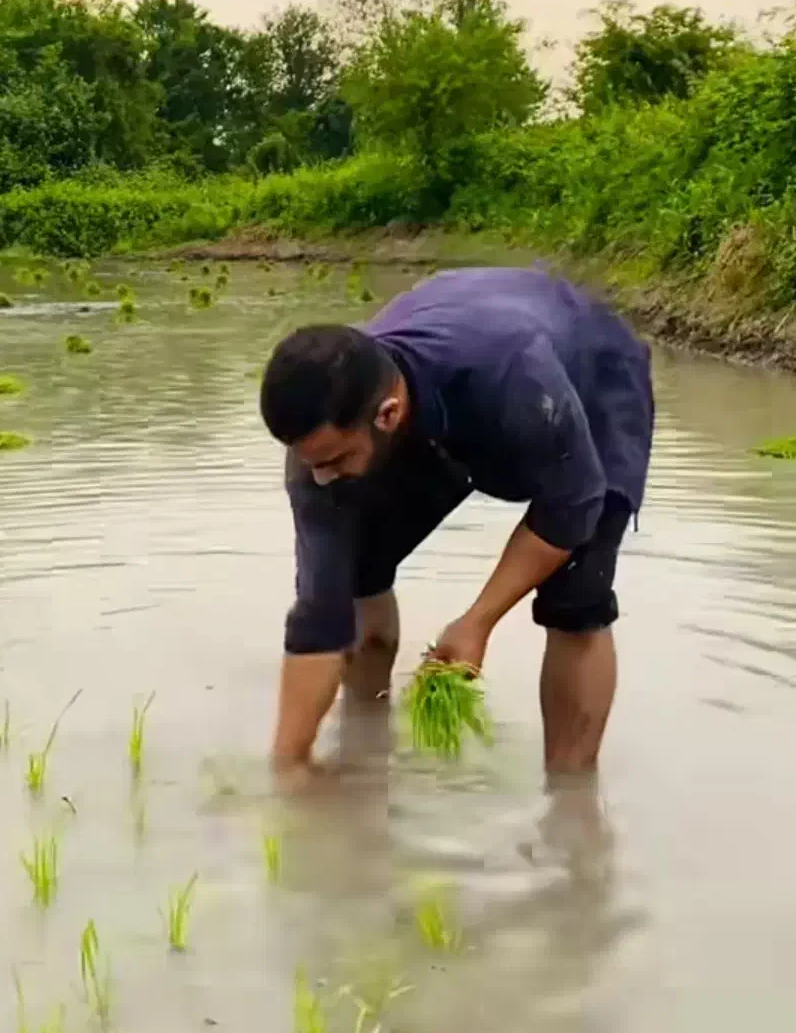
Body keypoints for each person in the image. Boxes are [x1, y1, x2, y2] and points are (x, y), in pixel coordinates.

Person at [258, 265, 654, 777]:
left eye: (334, 459)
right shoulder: (324, 452)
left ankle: (570, 804)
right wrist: (287, 770)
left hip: (588, 380)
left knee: (576, 598)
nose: (323, 478)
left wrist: (477, 623)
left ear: (388, 414)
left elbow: (572, 506)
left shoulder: (510, 375)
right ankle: (366, 754)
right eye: (312, 462)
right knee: (355, 573)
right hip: (454, 377)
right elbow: (318, 618)